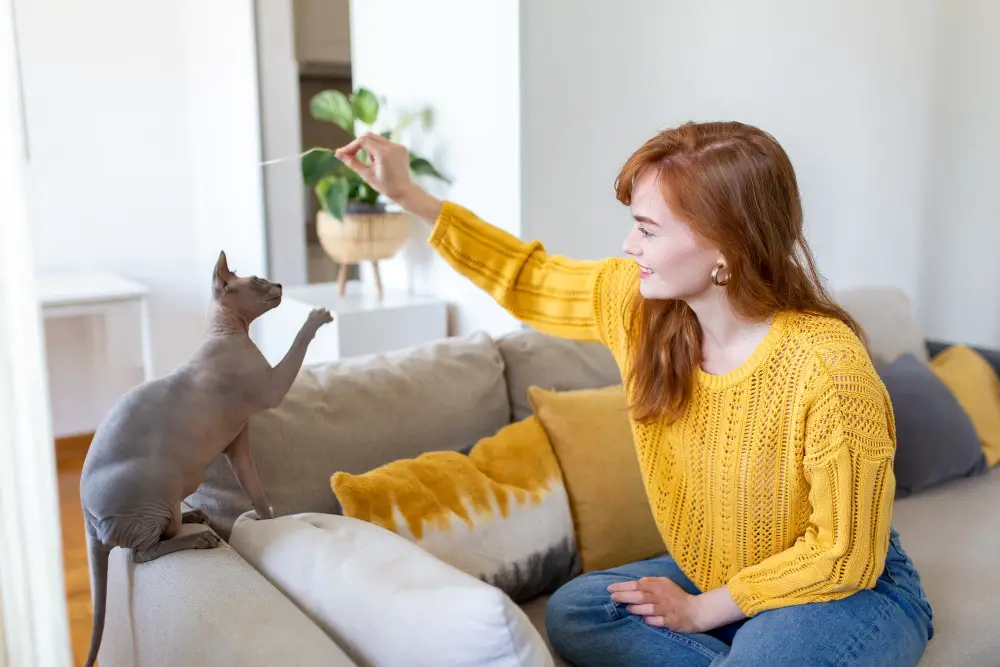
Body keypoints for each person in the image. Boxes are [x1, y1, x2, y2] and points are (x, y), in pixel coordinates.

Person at [335, 121, 934, 667]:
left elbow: (844, 555)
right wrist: (409, 195)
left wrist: (700, 613)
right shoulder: (639, 308)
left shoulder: (826, 365)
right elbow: (528, 277)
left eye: (647, 228)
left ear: (726, 246)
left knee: (765, 648)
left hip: (844, 589)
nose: (628, 244)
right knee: (580, 610)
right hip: (719, 576)